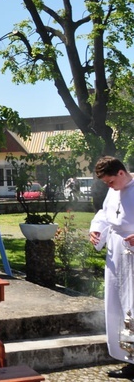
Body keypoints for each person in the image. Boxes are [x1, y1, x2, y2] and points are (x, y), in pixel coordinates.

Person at [88, 156, 134, 379]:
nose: (109, 186)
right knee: (117, 306)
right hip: (116, 255)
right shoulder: (113, 191)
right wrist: (96, 229)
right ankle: (129, 359)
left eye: (110, 182)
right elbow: (105, 215)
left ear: (121, 173)